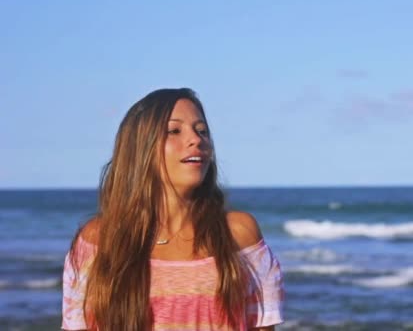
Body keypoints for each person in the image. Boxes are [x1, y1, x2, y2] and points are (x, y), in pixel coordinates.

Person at [62, 88, 284, 330]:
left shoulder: (238, 233)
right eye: (174, 131)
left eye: (202, 131)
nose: (196, 140)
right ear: (140, 147)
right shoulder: (98, 240)